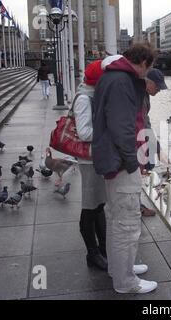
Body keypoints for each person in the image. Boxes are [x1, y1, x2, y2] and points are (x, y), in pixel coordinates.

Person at [92, 44, 158, 294]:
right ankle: (126, 281)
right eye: (148, 67)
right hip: (121, 163)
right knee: (127, 224)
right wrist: (133, 162)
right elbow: (123, 129)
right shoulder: (121, 82)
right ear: (142, 62)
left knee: (115, 218)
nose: (147, 73)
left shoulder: (113, 78)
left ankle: (120, 269)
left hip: (113, 161)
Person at [72, 60, 108, 271]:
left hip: (96, 158)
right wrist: (108, 133)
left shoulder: (91, 96)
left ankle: (102, 248)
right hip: (88, 160)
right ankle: (92, 254)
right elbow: (84, 133)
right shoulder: (85, 99)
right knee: (89, 207)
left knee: (99, 204)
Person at [139, 68, 168, 217]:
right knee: (139, 168)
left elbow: (146, 122)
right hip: (134, 139)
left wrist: (157, 148)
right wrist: (157, 148)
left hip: (140, 136)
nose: (159, 91)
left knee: (146, 166)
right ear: (148, 82)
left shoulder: (144, 95)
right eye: (158, 87)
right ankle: (136, 206)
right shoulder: (138, 95)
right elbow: (144, 124)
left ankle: (137, 203)